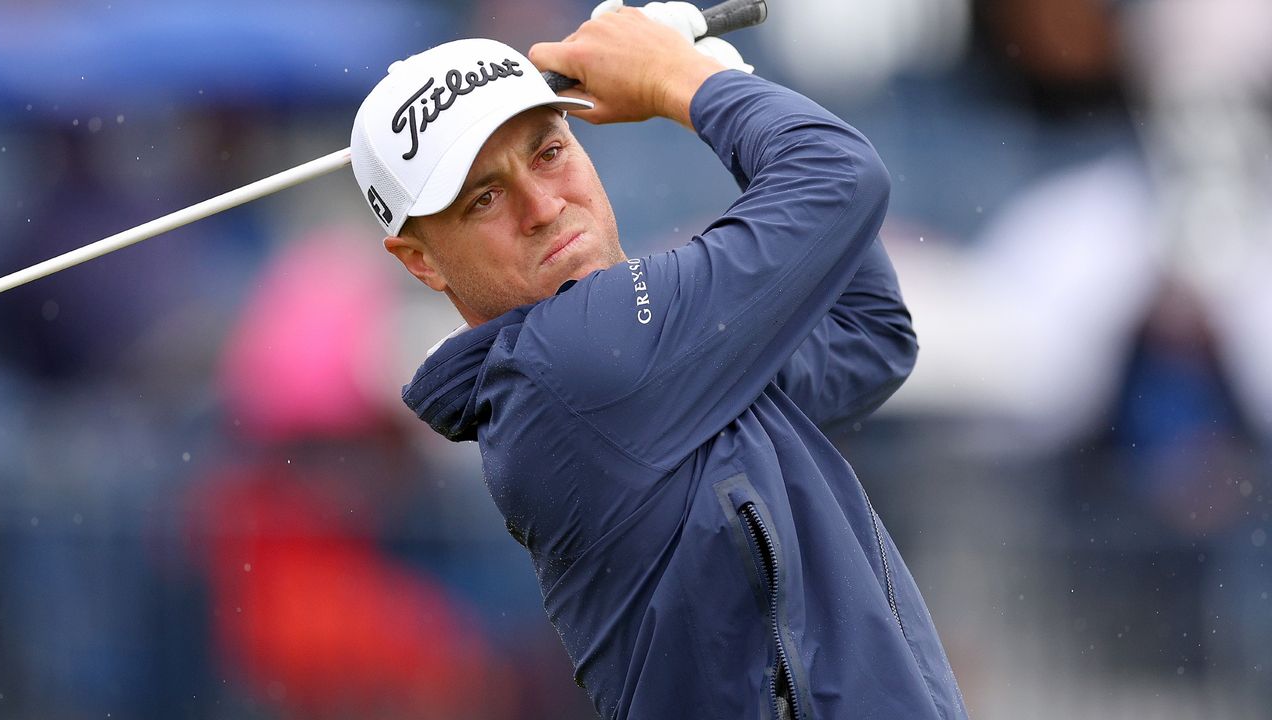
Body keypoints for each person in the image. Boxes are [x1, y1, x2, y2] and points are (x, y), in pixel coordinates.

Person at [348, 4, 969, 718]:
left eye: (549, 152)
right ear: (421, 261)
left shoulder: (649, 366)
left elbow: (868, 335)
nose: (543, 205)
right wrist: (686, 81)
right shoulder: (573, 363)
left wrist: (724, 82)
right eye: (484, 198)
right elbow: (841, 173)